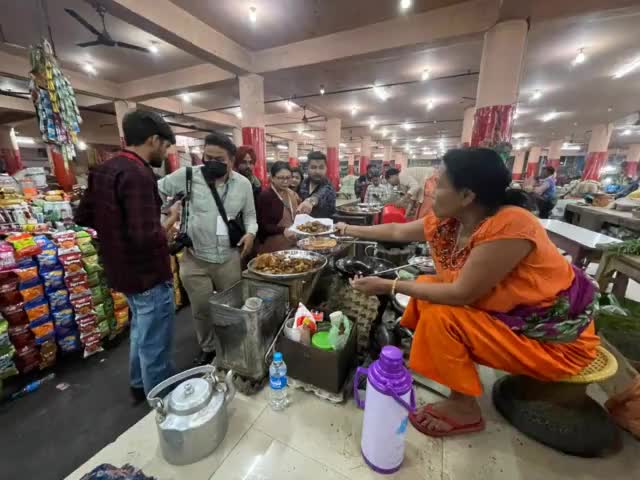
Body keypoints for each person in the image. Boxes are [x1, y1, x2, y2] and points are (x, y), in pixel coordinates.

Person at [337, 148, 599, 438]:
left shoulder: (511, 225)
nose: (431, 191)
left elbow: (461, 294)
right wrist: (346, 228)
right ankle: (443, 361)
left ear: (466, 196)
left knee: (440, 312)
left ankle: (464, 407)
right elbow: (398, 232)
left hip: (551, 337)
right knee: (428, 285)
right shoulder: (452, 220)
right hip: (510, 319)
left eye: (439, 183)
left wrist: (389, 285)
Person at [75, 110, 179, 402]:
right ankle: (161, 402)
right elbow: (146, 237)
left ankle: (138, 384)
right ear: (153, 139)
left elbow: (83, 215)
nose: (166, 153)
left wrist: (115, 233)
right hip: (148, 275)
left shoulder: (105, 169)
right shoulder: (139, 174)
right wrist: (169, 221)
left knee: (141, 331)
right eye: (166, 146)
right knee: (155, 343)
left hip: (122, 272)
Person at [158, 132, 258, 366]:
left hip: (228, 258)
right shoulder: (188, 176)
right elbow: (156, 189)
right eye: (207, 157)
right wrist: (167, 214)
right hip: (194, 259)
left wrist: (251, 234)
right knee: (201, 309)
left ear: (232, 160)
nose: (212, 163)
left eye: (219, 159)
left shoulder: (242, 185)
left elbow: (251, 215)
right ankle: (209, 347)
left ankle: (233, 343)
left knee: (231, 307)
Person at [256, 162, 300, 253]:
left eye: (288, 178)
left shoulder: (291, 194)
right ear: (272, 178)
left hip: (291, 243)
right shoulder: (265, 196)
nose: (285, 181)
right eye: (280, 178)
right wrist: (282, 230)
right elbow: (261, 225)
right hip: (272, 246)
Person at [297, 151, 336, 218]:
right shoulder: (303, 183)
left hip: (325, 226)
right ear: (307, 168)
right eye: (313, 167)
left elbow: (321, 195)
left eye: (321, 168)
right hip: (303, 225)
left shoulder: (329, 187)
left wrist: (310, 201)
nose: (317, 171)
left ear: (326, 169)